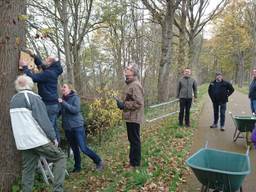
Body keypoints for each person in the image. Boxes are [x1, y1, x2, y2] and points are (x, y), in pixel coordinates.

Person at [9, 75, 66, 192]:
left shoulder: (13, 100)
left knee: (28, 170)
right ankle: (58, 189)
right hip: (36, 139)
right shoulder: (33, 98)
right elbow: (43, 120)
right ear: (30, 85)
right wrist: (53, 137)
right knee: (60, 157)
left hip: (22, 141)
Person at [58, 83, 104, 172]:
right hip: (68, 128)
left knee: (83, 148)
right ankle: (77, 167)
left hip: (77, 127)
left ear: (70, 89)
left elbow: (75, 110)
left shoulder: (75, 98)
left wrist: (63, 103)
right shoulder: (62, 100)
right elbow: (59, 113)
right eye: (62, 87)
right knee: (74, 149)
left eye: (64, 87)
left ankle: (99, 161)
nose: (62, 88)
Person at [19, 51, 63, 142]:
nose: (45, 60)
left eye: (47, 59)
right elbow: (43, 66)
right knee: (53, 127)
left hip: (49, 105)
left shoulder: (49, 73)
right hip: (53, 104)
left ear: (51, 63)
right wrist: (35, 56)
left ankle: (51, 150)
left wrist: (25, 67)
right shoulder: (53, 70)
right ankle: (57, 147)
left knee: (47, 129)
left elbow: (33, 78)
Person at [115, 64, 144, 169]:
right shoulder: (129, 84)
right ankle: (132, 162)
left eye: (129, 69)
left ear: (133, 72)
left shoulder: (135, 85)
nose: (126, 70)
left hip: (134, 117)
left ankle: (135, 164)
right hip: (130, 116)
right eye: (126, 68)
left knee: (135, 141)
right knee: (132, 140)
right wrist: (121, 105)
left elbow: (139, 103)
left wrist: (124, 105)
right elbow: (131, 100)